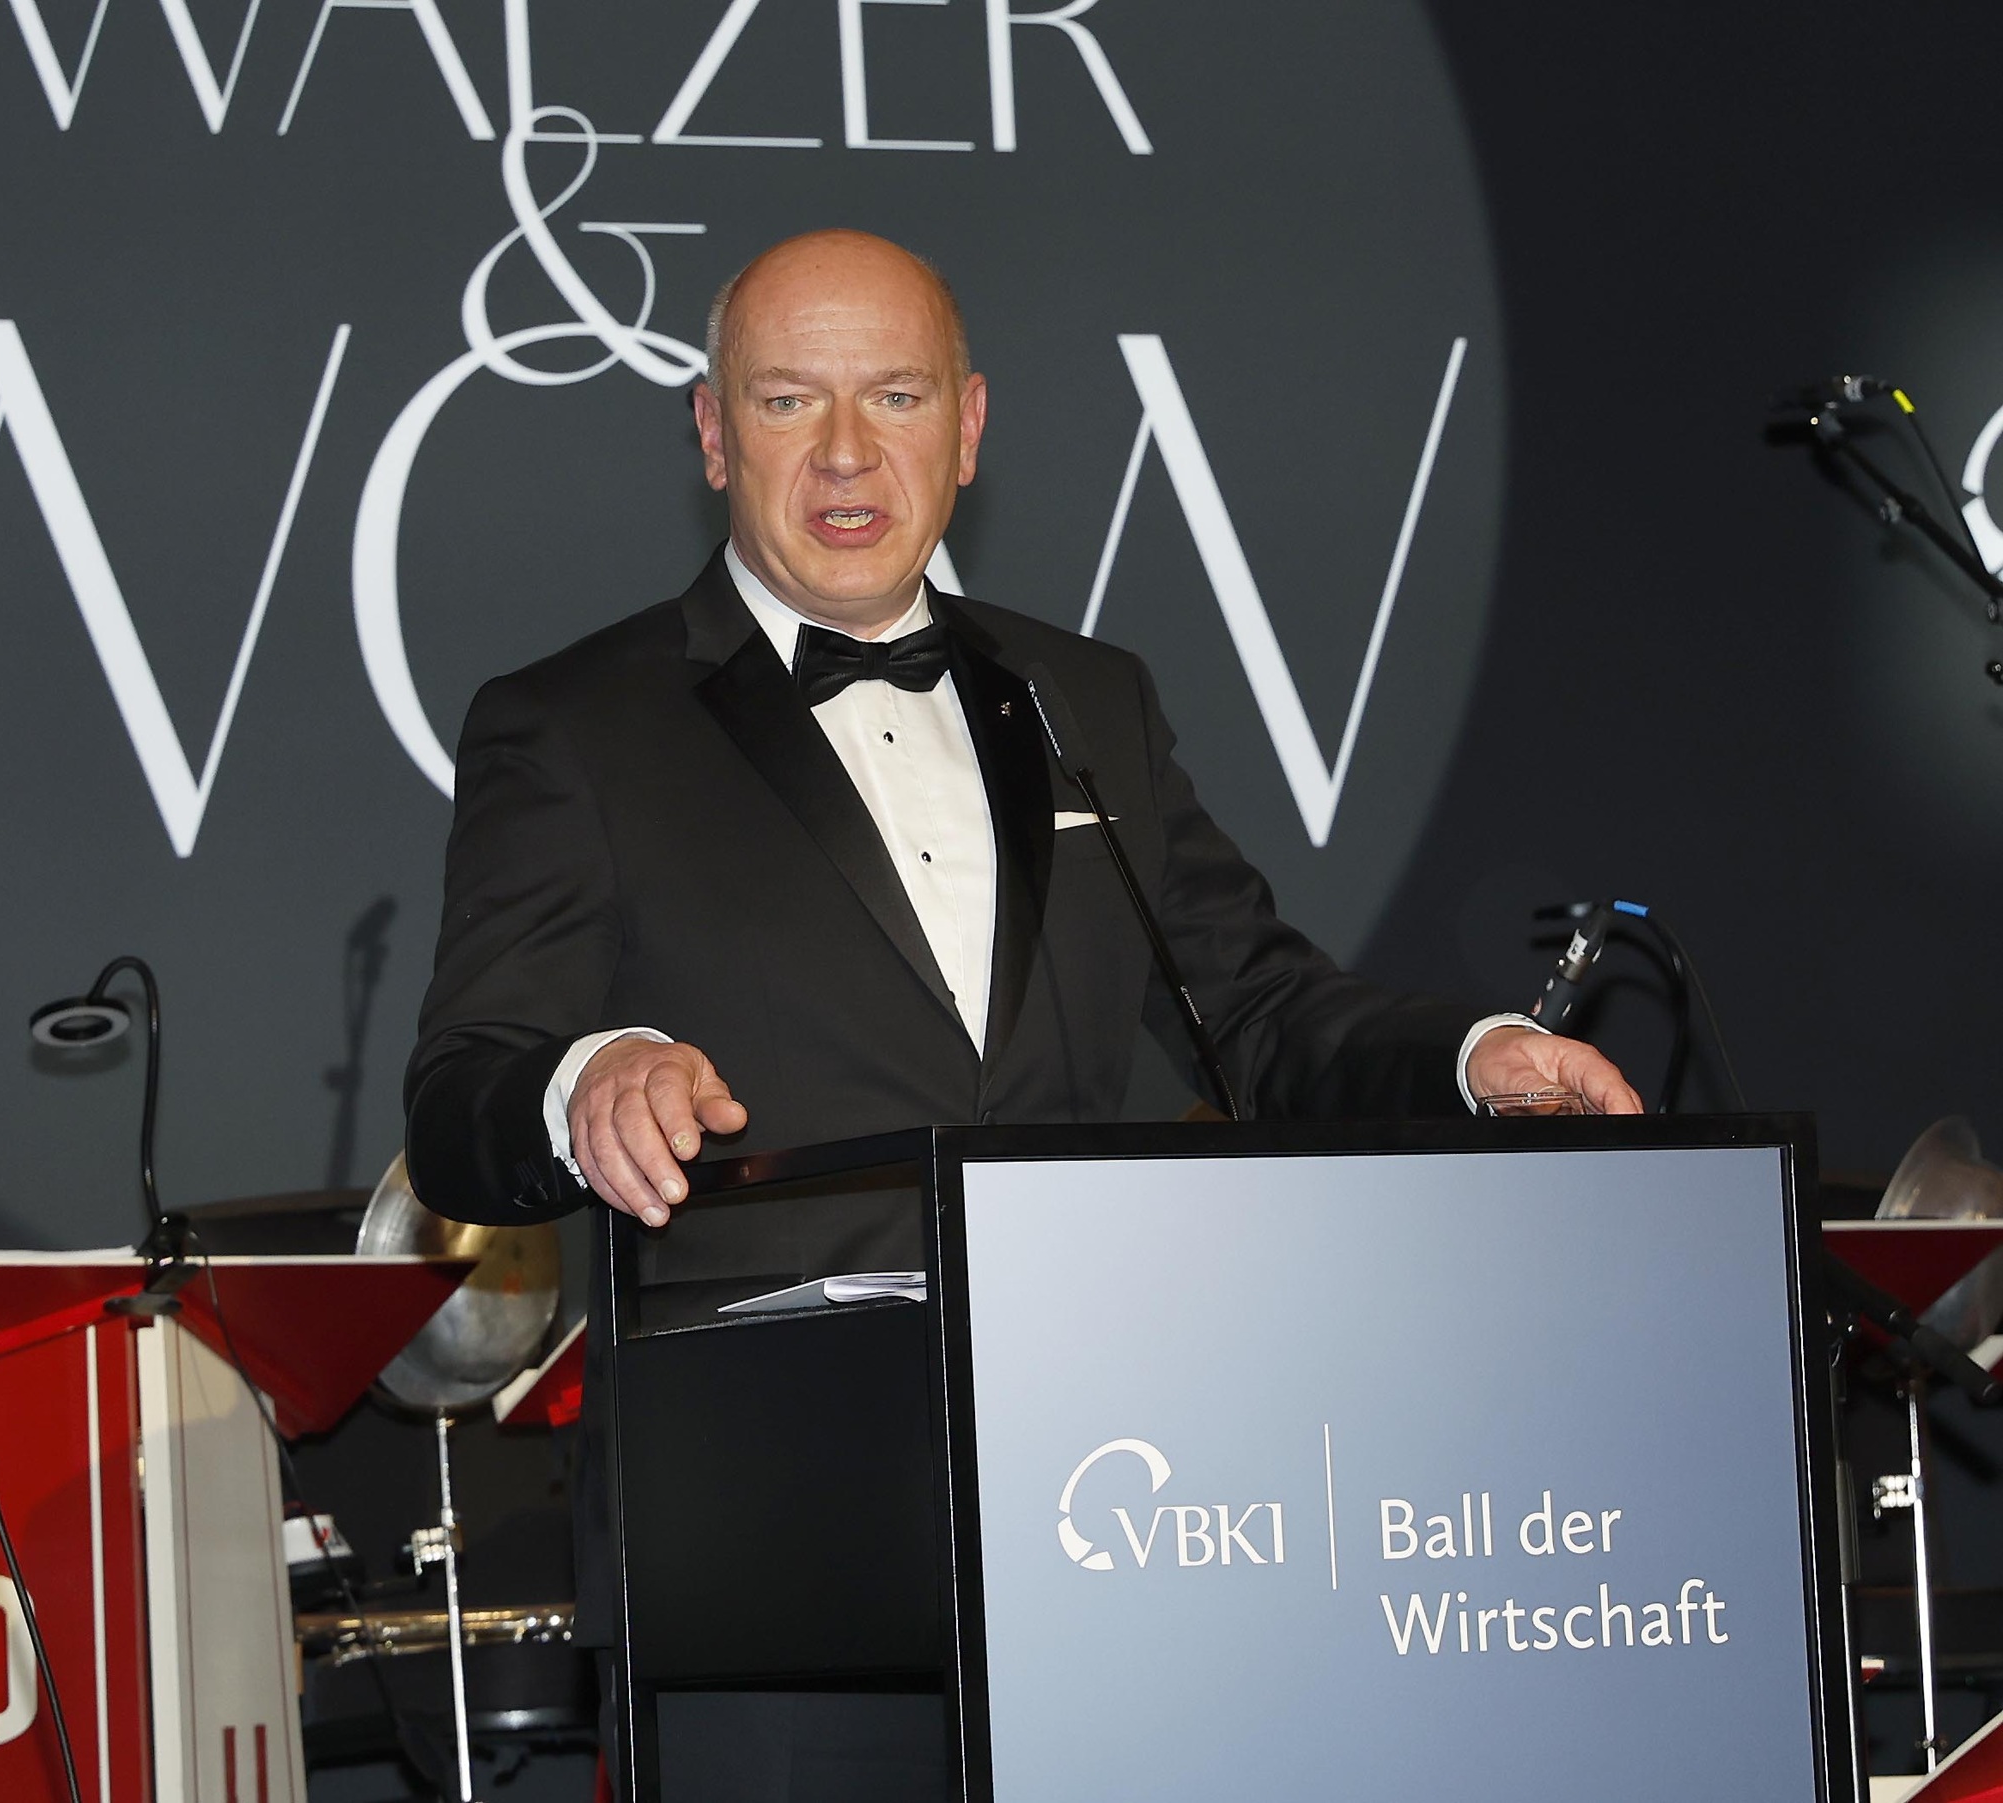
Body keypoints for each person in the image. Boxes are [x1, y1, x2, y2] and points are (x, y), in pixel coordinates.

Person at [402, 227, 1638, 1795]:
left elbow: (1259, 1011)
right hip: (766, 1541)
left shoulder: (1087, 700)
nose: (846, 451)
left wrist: (1478, 1058)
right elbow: (462, 1100)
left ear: (969, 426)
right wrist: (588, 1077)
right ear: (712, 434)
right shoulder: (573, 726)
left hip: (1117, 1505)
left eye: (896, 395)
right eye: (787, 400)